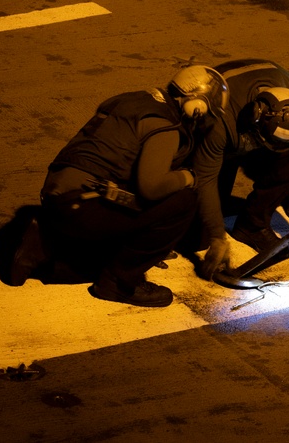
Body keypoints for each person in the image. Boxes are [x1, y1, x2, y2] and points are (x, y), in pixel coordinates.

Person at [35, 65, 229, 307]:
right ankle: (118, 283)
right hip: (78, 207)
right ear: (196, 105)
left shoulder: (135, 99)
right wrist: (188, 177)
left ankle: (47, 247)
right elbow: (152, 187)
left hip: (59, 198)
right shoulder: (165, 125)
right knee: (183, 200)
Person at [190, 59, 289, 278]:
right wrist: (216, 236)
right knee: (199, 237)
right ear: (257, 117)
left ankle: (253, 224)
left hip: (248, 125)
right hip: (222, 133)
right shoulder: (221, 119)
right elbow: (205, 178)